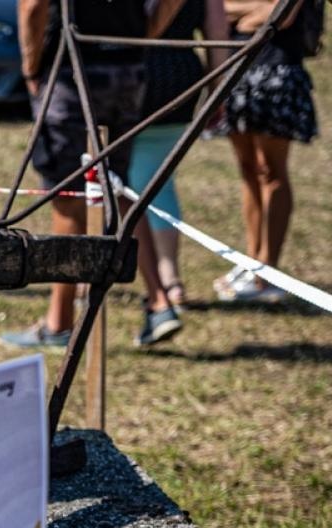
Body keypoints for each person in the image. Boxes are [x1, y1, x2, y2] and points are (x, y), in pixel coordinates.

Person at [1, 0, 184, 349]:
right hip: (127, 70)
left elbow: (32, 5)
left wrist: (30, 67)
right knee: (118, 189)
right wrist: (141, 37)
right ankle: (159, 302)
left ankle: (59, 323)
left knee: (67, 196)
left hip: (71, 71)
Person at [130, 0, 231, 345]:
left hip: (132, 75)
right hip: (180, 79)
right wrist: (217, 94)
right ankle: (170, 278)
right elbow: (217, 35)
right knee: (160, 182)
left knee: (125, 188)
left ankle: (156, 285)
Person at [211, 0, 320, 303]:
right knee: (248, 170)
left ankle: (267, 268)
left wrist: (242, 13)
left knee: (271, 171)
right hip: (236, 66)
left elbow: (279, 16)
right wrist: (252, 11)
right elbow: (217, 9)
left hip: (277, 69)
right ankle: (251, 259)